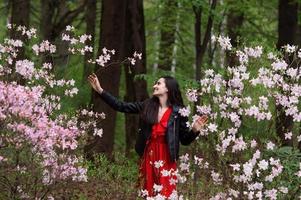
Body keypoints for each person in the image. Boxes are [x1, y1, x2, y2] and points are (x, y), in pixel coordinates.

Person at [88, 73, 208, 198]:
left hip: (167, 157)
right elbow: (121, 106)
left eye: (158, 83)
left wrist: (194, 130)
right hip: (149, 155)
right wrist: (100, 90)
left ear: (168, 88)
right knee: (148, 193)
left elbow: (184, 140)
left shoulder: (179, 112)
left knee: (166, 193)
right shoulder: (147, 105)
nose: (154, 86)